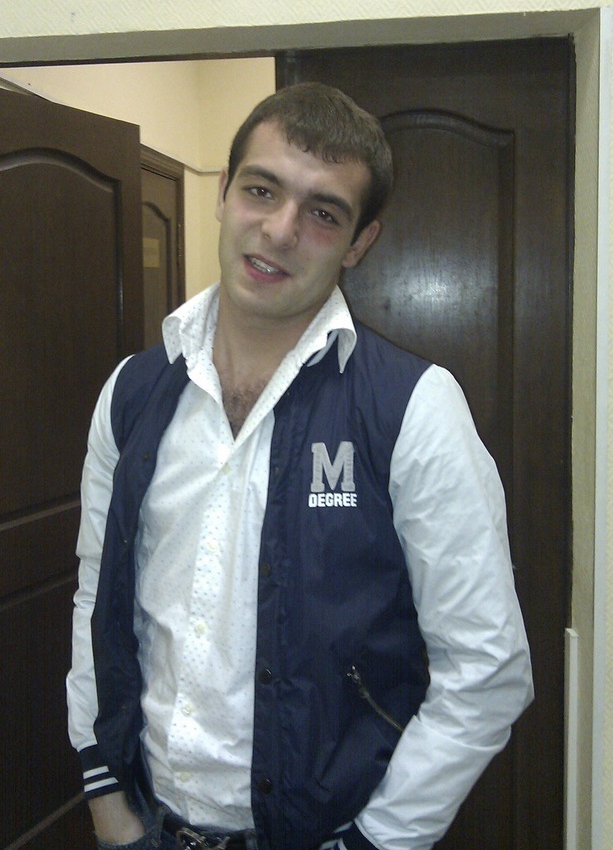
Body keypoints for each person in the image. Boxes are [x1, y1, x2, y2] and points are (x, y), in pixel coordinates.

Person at [67, 82, 533, 850]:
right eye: (261, 190)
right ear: (223, 193)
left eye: (323, 213)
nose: (280, 231)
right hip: (146, 825)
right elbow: (97, 600)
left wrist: (373, 842)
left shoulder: (412, 409)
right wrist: (105, 798)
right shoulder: (131, 393)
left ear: (358, 242)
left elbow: (486, 670)